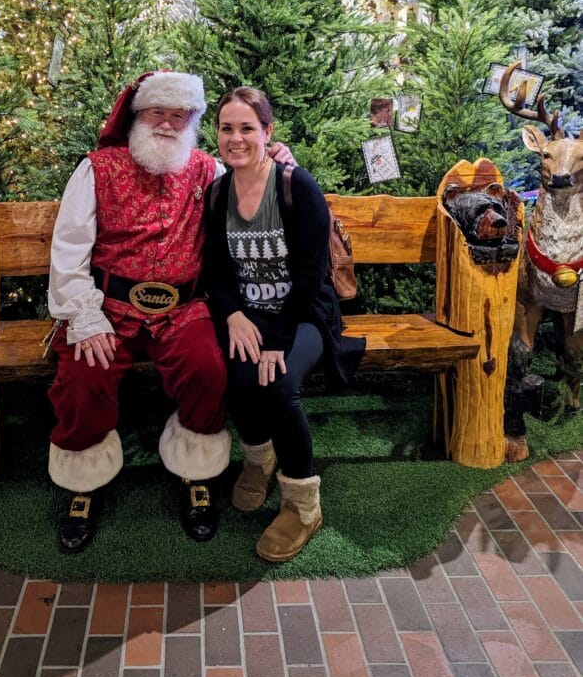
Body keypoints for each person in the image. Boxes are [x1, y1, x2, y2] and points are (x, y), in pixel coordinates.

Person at [46, 71, 292, 555]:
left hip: (184, 306)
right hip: (110, 306)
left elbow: (254, 211)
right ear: (138, 116)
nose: (166, 124)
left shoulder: (207, 171)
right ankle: (83, 481)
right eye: (157, 113)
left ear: (192, 121)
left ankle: (194, 473)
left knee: (208, 369)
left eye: (178, 115)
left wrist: (275, 164)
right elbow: (69, 244)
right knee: (81, 374)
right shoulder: (98, 168)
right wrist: (83, 313)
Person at [203, 87, 365, 562]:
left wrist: (276, 340)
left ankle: (302, 505)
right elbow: (215, 270)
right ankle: (259, 456)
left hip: (304, 315)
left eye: (247, 128)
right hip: (249, 314)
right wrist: (232, 314)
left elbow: (312, 275)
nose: (236, 138)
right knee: (233, 374)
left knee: (277, 384)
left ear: (267, 132)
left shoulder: (297, 187)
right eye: (227, 128)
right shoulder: (216, 194)